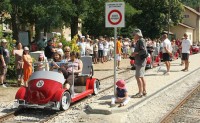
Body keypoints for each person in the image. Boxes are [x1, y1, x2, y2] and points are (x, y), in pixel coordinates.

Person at [131, 29, 147, 98]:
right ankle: (144, 91)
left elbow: (144, 51)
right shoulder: (140, 41)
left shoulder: (141, 40)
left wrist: (135, 53)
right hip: (141, 61)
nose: (133, 36)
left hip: (140, 61)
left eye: (134, 35)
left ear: (137, 34)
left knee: (138, 77)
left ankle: (140, 93)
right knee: (141, 76)